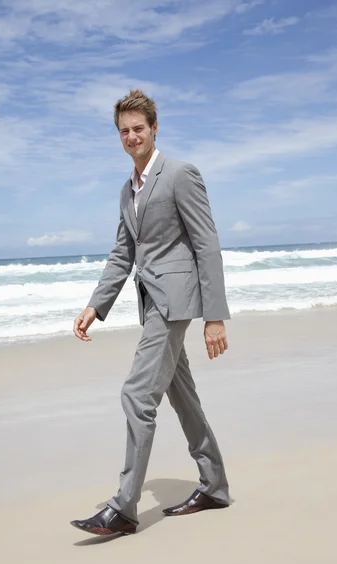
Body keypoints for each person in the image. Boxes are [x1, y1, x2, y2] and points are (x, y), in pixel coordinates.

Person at [71, 89, 231, 537]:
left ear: (154, 128)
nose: (131, 136)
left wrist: (214, 315)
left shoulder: (180, 174)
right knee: (183, 399)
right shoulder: (128, 190)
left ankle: (124, 507)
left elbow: (206, 243)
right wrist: (94, 305)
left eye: (138, 128)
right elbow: (123, 253)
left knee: (137, 396)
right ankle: (215, 485)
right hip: (152, 303)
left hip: (175, 304)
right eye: (123, 131)